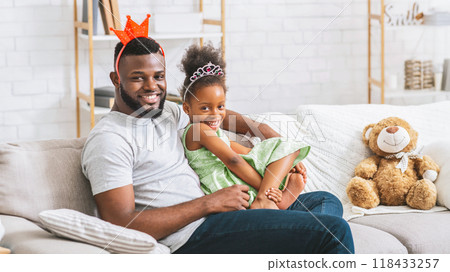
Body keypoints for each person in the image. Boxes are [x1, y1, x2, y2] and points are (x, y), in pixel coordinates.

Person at [81, 15, 354, 254]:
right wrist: (208, 204)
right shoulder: (110, 139)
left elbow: (214, 113)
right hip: (193, 235)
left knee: (324, 201)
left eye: (159, 76)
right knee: (333, 231)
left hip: (227, 213)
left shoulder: (167, 114)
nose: (152, 86)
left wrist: (267, 134)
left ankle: (279, 232)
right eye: (138, 77)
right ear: (116, 79)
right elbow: (120, 222)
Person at [180, 44, 310, 210]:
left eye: (220, 107)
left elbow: (244, 152)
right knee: (285, 147)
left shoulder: (214, 132)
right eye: (205, 108)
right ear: (186, 108)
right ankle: (266, 197)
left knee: (285, 150)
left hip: (234, 180)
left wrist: (281, 158)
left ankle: (277, 198)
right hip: (225, 185)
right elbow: (233, 160)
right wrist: (266, 186)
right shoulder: (197, 130)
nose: (215, 114)